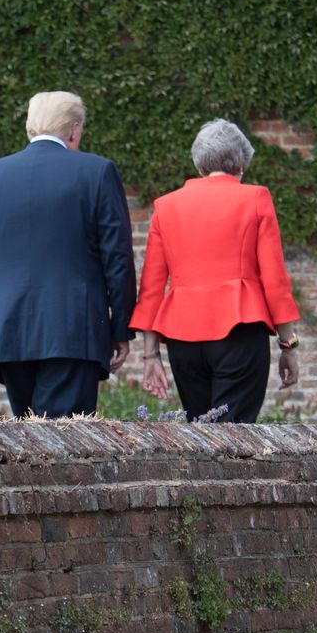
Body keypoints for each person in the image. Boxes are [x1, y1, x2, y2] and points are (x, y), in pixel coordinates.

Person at [0, 91, 137, 418]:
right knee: (63, 444)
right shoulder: (97, 172)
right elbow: (117, 260)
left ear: (30, 128)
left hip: (10, 332)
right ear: (74, 130)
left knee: (30, 441)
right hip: (74, 330)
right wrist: (121, 329)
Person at [132, 119, 302, 422]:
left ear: (200, 167)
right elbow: (275, 281)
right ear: (240, 164)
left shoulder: (166, 206)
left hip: (183, 338)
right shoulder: (255, 198)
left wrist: (150, 356)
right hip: (239, 330)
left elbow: (151, 288)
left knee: (201, 436)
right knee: (233, 437)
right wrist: (288, 346)